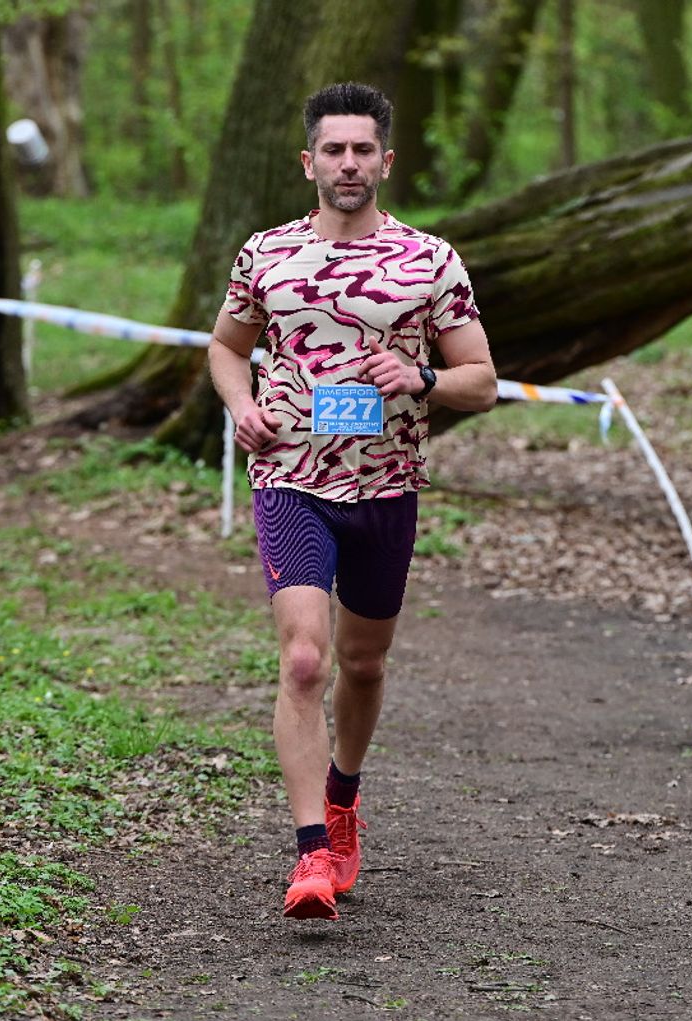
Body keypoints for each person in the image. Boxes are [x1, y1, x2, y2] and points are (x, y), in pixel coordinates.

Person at [208, 82, 498, 920]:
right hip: (290, 478)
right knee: (306, 659)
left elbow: (482, 380)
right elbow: (225, 348)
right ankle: (311, 854)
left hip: (385, 486)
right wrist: (240, 405)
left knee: (363, 663)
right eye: (332, 150)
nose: (347, 163)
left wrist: (420, 375)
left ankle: (343, 794)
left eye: (362, 149)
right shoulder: (266, 254)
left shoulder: (429, 260)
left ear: (385, 161)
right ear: (308, 162)